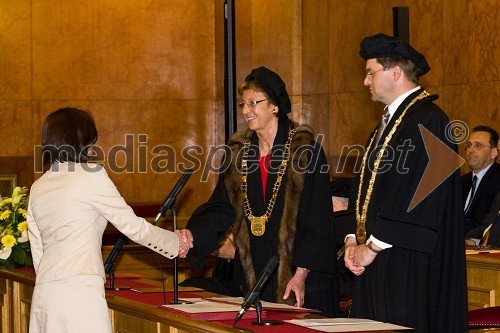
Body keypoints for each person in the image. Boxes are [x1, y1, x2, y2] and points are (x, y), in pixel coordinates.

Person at [181, 67, 339, 317]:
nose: (245, 110)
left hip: (300, 275)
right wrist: (193, 235)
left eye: (254, 103)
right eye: (244, 104)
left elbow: (316, 219)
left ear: (275, 106)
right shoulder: (237, 154)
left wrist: (300, 273)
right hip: (252, 272)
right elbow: (221, 207)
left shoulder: (305, 152)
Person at [27, 107, 193, 333]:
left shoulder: (38, 186)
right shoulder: (90, 175)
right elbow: (133, 227)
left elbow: (38, 249)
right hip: (80, 293)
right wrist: (174, 243)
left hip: (44, 295)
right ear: (82, 141)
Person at [343, 33, 467, 332]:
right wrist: (351, 239)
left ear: (395, 72)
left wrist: (370, 247)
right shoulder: (387, 124)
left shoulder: (430, 120)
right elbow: (363, 191)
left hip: (406, 263)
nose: (365, 81)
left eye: (370, 72)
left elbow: (423, 199)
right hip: (375, 261)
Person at [461, 125, 500, 235]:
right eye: (469, 145)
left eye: (478, 146)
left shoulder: (498, 180)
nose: (470, 150)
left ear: (493, 153)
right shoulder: (461, 181)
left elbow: (493, 223)